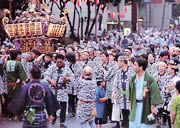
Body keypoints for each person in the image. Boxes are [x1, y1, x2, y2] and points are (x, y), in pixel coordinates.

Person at [128, 57, 162, 127]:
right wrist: (130, 103)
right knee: (133, 123)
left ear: (141, 67)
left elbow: (154, 92)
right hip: (135, 105)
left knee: (145, 124)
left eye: (135, 65)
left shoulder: (149, 78)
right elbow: (130, 92)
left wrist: (153, 106)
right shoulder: (133, 78)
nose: (133, 66)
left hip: (146, 105)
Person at [44, 54, 74, 128]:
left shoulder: (67, 68)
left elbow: (72, 77)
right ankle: (54, 116)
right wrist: (51, 80)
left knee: (63, 105)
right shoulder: (52, 67)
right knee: (54, 104)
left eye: (61, 61)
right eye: (58, 62)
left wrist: (67, 78)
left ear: (63, 60)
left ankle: (62, 122)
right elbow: (46, 75)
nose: (59, 63)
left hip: (63, 89)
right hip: (54, 89)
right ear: (55, 60)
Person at [4, 50, 27, 120]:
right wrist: (24, 83)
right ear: (17, 55)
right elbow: (22, 75)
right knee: (17, 100)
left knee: (10, 99)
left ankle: (10, 115)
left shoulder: (6, 63)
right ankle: (16, 115)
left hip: (9, 84)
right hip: (16, 84)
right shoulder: (18, 63)